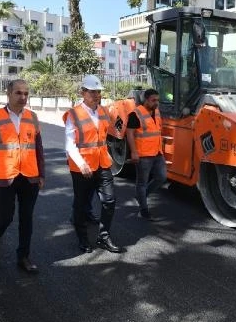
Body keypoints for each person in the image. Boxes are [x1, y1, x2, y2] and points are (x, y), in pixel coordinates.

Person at [0, 80, 45, 273]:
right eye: (18, 93)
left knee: (27, 218)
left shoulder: (33, 117)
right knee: (6, 216)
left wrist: (42, 173)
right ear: (8, 93)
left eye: (26, 93)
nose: (23, 97)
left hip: (29, 176)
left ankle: (23, 257)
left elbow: (38, 148)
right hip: (5, 176)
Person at [63, 75, 121, 254]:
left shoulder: (104, 111)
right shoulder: (74, 114)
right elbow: (69, 143)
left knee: (109, 200)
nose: (96, 95)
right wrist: (81, 164)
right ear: (83, 92)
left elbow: (106, 137)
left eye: (98, 92)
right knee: (80, 204)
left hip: (102, 163)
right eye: (92, 92)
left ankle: (104, 237)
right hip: (82, 167)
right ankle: (83, 238)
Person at [125, 89, 167, 220]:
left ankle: (141, 196)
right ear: (146, 100)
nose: (156, 103)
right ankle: (144, 210)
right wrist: (134, 152)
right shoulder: (135, 114)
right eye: (153, 100)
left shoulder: (157, 112)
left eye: (157, 100)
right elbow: (130, 134)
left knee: (161, 177)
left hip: (157, 152)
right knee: (142, 182)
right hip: (143, 155)